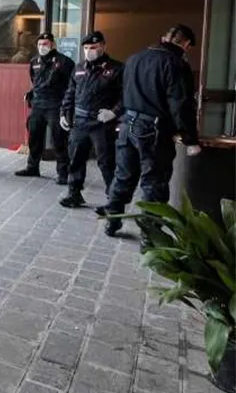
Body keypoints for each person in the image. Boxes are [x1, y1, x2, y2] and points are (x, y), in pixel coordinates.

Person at [97, 24, 202, 243]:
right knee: (153, 183)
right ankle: (149, 235)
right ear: (185, 44)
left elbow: (124, 94)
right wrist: (190, 138)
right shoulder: (176, 64)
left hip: (127, 126)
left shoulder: (135, 58)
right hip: (153, 131)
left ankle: (112, 221)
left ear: (164, 37)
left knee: (123, 175)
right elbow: (180, 104)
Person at [58, 32, 123, 208]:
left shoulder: (116, 69)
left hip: (102, 123)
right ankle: (74, 193)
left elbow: (126, 96)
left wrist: (114, 112)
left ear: (103, 46)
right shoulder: (79, 68)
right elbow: (70, 93)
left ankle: (114, 199)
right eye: (86, 48)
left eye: (93, 47)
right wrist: (64, 113)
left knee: (106, 161)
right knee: (75, 158)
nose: (89, 51)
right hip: (80, 121)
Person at [15, 32, 75, 183]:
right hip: (38, 105)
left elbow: (71, 85)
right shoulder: (34, 61)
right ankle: (32, 167)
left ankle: (63, 173)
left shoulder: (64, 62)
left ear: (53, 44)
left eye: (46, 44)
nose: (42, 47)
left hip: (56, 105)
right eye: (40, 44)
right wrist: (31, 93)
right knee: (34, 137)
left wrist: (67, 107)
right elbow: (35, 81)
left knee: (59, 139)